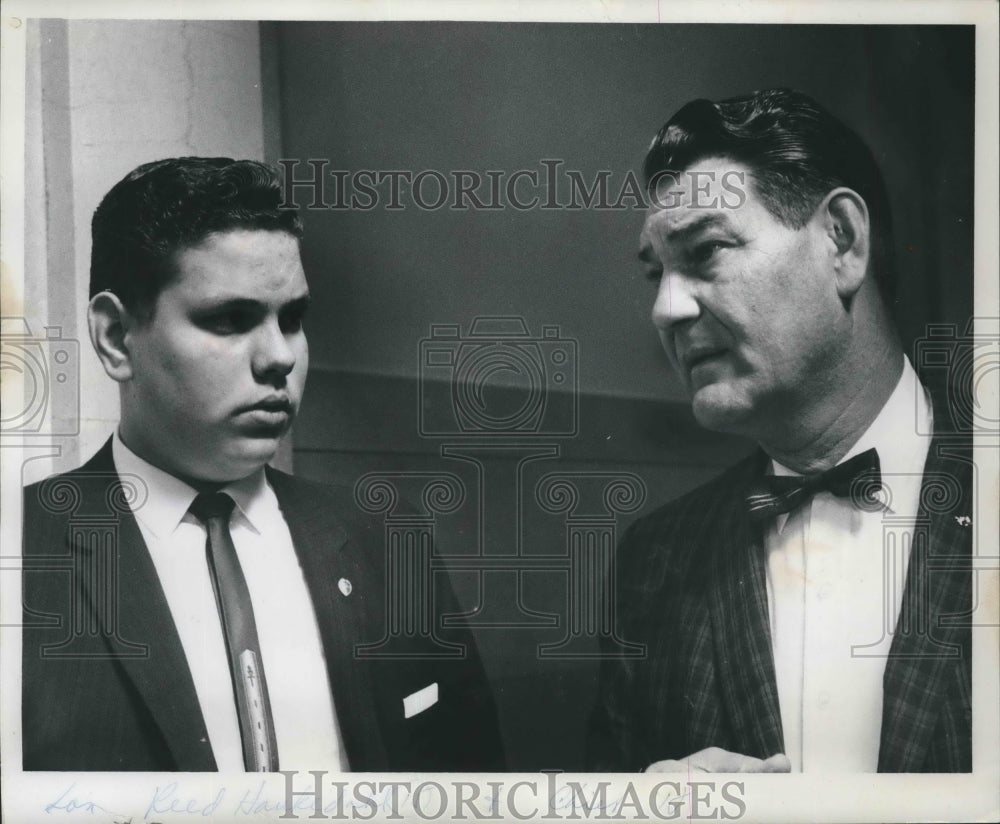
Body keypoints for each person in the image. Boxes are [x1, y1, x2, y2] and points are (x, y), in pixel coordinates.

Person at [21, 157, 504, 772]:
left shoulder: (387, 541)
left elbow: (474, 782)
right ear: (117, 337)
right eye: (230, 319)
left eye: (293, 319)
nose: (279, 356)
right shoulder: (20, 553)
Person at [588, 89, 972, 773]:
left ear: (842, 242)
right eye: (656, 273)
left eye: (705, 250)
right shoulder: (654, 560)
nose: (665, 309)